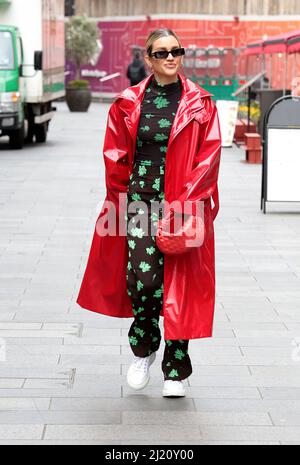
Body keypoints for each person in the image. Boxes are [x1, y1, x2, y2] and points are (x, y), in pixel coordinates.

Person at [76, 28, 222, 398]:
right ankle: (144, 350)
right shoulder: (127, 102)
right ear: (149, 58)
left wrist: (186, 204)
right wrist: (119, 201)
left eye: (177, 51)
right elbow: (115, 155)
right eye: (162, 52)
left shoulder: (201, 104)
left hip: (184, 206)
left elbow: (209, 157)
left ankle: (176, 369)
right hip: (139, 203)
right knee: (144, 283)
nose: (171, 57)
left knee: (182, 287)